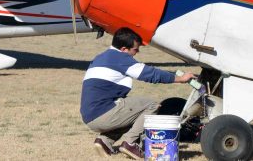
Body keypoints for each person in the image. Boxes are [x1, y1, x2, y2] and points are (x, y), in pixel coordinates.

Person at [80, 27, 195, 159]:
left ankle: (105, 141)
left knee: (133, 112)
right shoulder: (120, 58)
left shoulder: (101, 57)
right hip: (103, 113)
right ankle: (130, 143)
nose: (137, 52)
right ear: (124, 49)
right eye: (135, 49)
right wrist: (180, 78)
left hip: (90, 116)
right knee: (151, 105)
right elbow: (150, 74)